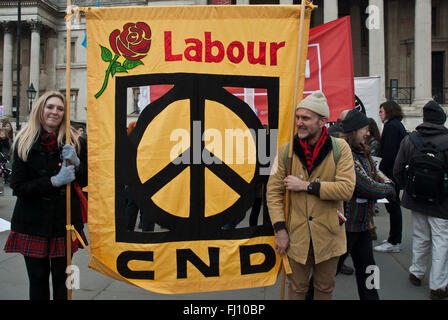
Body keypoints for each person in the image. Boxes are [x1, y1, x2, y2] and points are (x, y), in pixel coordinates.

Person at [267, 90, 356, 300]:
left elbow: (346, 189)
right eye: (298, 117)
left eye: (305, 118)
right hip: (296, 237)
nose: (299, 122)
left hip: (329, 236)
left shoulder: (340, 148)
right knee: (296, 289)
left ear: (322, 121)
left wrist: (307, 186)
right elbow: (273, 193)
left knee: (324, 289)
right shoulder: (286, 151)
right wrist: (280, 229)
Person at [3, 91, 87, 300]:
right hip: (33, 222)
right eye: (50, 107)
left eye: (60, 108)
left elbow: (87, 182)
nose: (54, 112)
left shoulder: (73, 142)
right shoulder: (24, 141)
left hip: (64, 221)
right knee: (38, 279)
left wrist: (77, 164)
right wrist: (52, 182)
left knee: (63, 279)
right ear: (41, 109)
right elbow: (19, 187)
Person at [393, 100, 448, 300]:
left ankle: (416, 272)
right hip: (442, 202)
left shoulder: (411, 140)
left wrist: (408, 188)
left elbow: (398, 169)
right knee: (441, 241)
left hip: (416, 199)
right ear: (442, 120)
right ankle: (438, 285)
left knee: (420, 236)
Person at [339, 109, 396, 300]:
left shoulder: (363, 152)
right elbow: (364, 185)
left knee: (370, 270)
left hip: (362, 225)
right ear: (354, 131)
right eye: (365, 129)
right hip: (345, 227)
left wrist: (387, 184)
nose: (369, 133)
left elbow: (376, 174)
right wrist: (389, 190)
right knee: (327, 274)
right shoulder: (345, 155)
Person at [374, 101, 407, 253]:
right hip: (394, 172)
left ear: (388, 111)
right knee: (392, 206)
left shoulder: (391, 126)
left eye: (381, 111)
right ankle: (394, 238)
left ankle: (394, 241)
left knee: (393, 206)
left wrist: (381, 172)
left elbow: (389, 152)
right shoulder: (396, 125)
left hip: (390, 173)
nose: (380, 114)